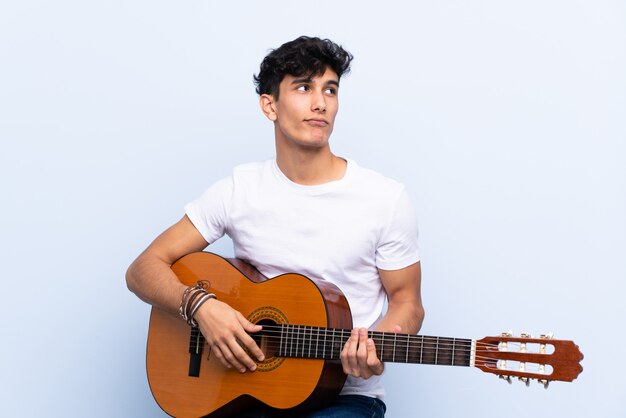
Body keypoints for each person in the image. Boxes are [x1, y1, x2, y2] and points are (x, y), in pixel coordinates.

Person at [126, 36, 425, 418]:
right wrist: (202, 308)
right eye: (304, 87)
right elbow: (142, 269)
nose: (320, 103)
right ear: (270, 105)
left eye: (330, 90)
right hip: (244, 389)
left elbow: (408, 302)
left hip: (344, 398)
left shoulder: (385, 199)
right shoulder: (239, 190)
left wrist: (379, 344)